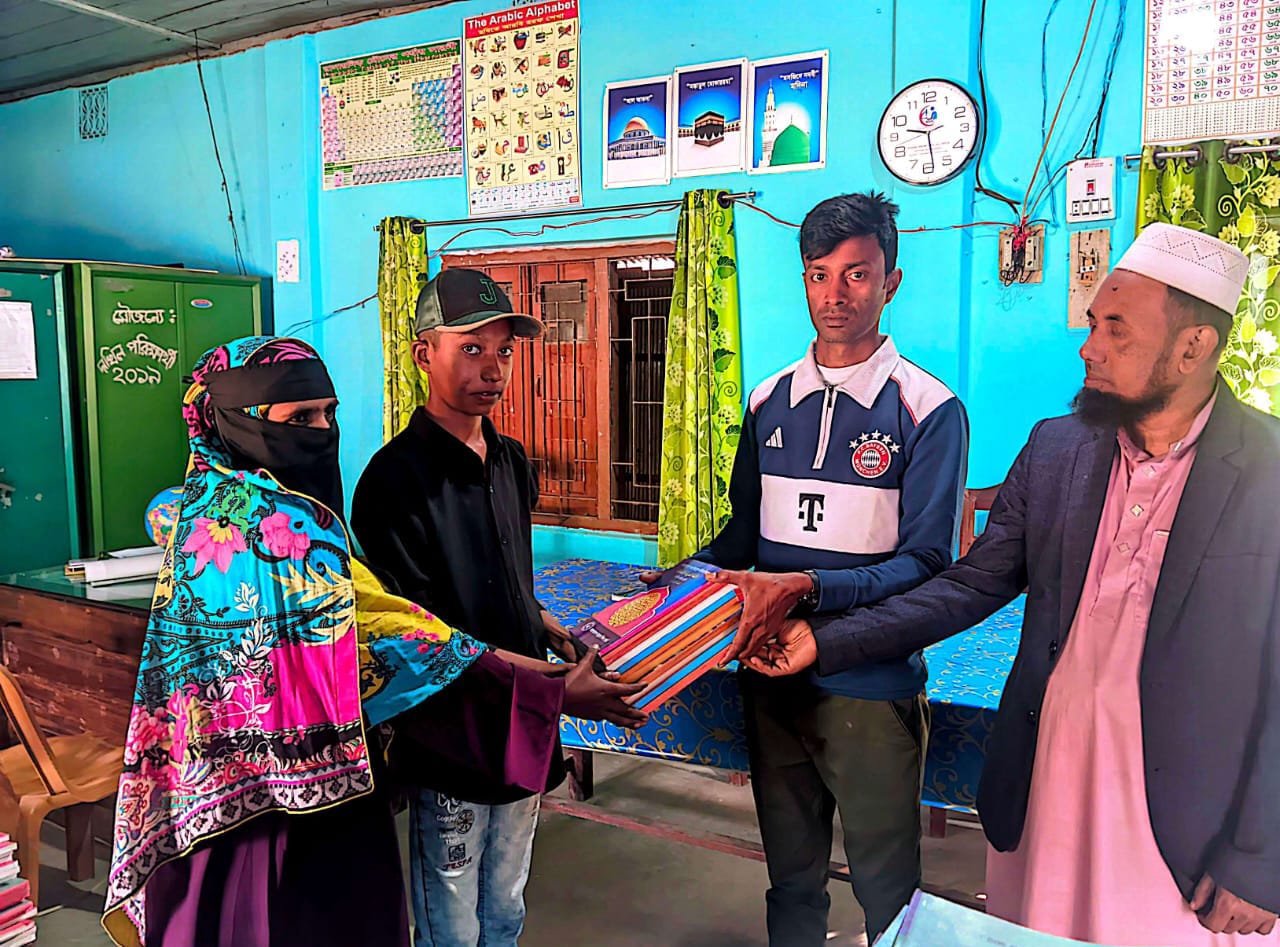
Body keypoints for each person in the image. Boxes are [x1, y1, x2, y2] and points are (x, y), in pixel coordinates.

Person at [746, 222, 1280, 944]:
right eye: (1093, 322)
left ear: (1193, 347)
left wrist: (1262, 856)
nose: (1088, 347)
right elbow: (968, 586)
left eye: (1116, 330)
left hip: (1187, 815)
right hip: (1051, 783)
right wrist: (825, 641)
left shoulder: (1268, 472)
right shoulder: (1059, 449)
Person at [104, 335, 641, 947]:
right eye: (300, 419)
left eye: (328, 414)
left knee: (498, 889)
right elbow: (398, 637)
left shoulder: (215, 508)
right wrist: (554, 690)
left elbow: (410, 609)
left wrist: (542, 640)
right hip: (273, 804)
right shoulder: (287, 521)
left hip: (261, 786)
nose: (323, 432)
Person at [655, 192, 968, 946]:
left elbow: (929, 562)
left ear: (891, 282)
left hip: (870, 684)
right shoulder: (768, 399)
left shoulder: (928, 408)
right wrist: (680, 579)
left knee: (887, 890)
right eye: (819, 274)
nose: (836, 294)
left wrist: (813, 589)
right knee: (791, 879)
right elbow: (744, 536)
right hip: (771, 674)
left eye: (857, 274)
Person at [352, 268, 645, 947]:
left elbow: (507, 580)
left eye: (504, 351)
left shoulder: (510, 461)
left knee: (507, 899)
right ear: (424, 354)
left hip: (524, 716)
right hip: (452, 725)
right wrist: (558, 686)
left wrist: (554, 631)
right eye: (471, 348)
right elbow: (425, 639)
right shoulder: (393, 482)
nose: (492, 368)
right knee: (452, 911)